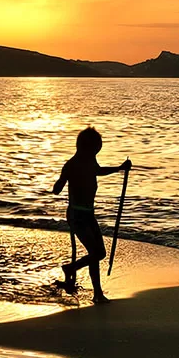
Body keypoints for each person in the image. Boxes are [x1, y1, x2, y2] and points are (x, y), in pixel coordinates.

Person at [51, 127, 130, 303]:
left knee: (98, 252)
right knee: (95, 252)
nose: (96, 153)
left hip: (88, 215)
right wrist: (59, 183)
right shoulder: (72, 164)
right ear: (85, 147)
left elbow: (98, 171)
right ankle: (74, 271)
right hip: (76, 215)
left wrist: (120, 168)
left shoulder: (89, 160)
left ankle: (94, 290)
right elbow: (58, 189)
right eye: (95, 149)